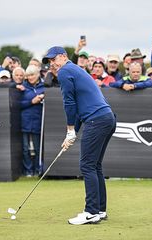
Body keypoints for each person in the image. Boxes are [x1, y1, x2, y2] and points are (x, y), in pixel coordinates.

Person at [42, 46, 116, 225]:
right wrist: (72, 133)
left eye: (54, 59)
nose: (52, 64)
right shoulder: (75, 70)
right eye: (50, 61)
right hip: (107, 118)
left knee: (87, 165)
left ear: (64, 56)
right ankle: (100, 210)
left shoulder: (65, 71)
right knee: (95, 165)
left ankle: (90, 212)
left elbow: (69, 103)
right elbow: (81, 106)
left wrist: (69, 130)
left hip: (96, 120)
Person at [20, 65, 44, 176]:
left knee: (38, 148)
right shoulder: (22, 87)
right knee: (25, 149)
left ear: (38, 74)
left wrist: (44, 96)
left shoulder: (44, 86)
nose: (30, 77)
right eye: (28, 75)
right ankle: (28, 170)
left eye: (32, 75)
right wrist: (32, 101)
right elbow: (18, 104)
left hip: (38, 121)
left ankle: (38, 169)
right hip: (25, 121)